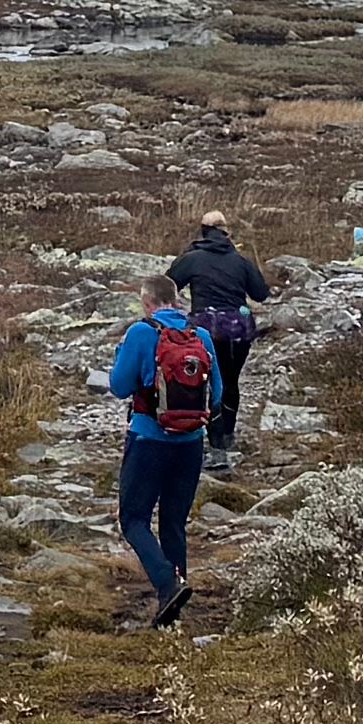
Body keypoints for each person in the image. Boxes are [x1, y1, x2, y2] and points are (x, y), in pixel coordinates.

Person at [103, 268, 227, 628]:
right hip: (190, 444)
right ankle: (173, 603)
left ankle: (166, 582)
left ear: (147, 302)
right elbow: (216, 395)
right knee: (173, 522)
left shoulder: (142, 332)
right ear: (175, 299)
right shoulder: (200, 335)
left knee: (134, 518)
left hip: (148, 440)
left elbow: (119, 386)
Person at [166, 213, 273, 447]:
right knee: (229, 381)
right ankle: (226, 435)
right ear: (226, 232)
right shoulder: (242, 261)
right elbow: (261, 294)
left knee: (198, 381)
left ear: (203, 231)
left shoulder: (192, 258)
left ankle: (203, 437)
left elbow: (167, 286)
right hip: (238, 329)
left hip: (203, 331)